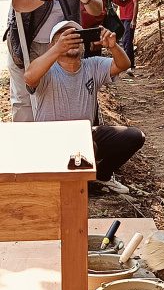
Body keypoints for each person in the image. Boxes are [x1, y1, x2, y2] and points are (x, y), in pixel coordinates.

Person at [24, 20, 144, 194]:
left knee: (134, 136)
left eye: (77, 37)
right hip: (49, 142)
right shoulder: (47, 69)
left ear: (83, 46)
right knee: (87, 149)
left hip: (84, 136)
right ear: (52, 45)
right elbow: (29, 77)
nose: (72, 41)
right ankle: (76, 188)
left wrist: (113, 46)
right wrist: (58, 50)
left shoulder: (92, 65)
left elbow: (123, 65)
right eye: (64, 38)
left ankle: (101, 176)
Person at [4, 0, 101, 122]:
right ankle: (28, 146)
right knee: (25, 101)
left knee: (61, 97)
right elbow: (18, 1)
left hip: (63, 47)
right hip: (27, 45)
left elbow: (96, 8)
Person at [113, 0, 139, 69]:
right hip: (122, 17)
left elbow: (136, 3)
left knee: (128, 41)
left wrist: (134, 19)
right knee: (124, 41)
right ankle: (129, 63)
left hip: (129, 17)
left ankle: (128, 64)